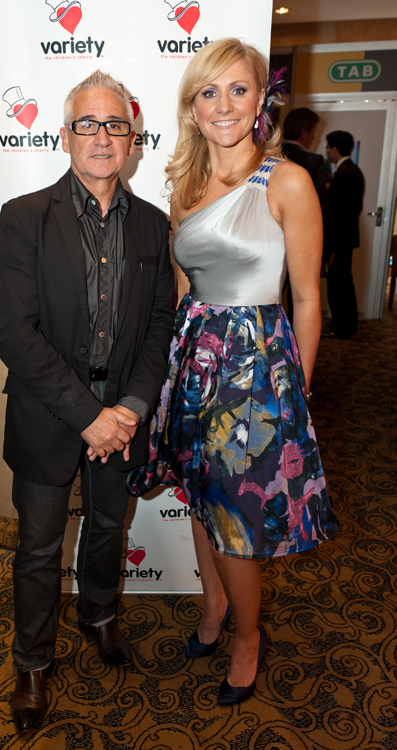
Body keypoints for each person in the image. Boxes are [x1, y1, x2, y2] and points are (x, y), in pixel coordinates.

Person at [128, 39, 339, 706]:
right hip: (193, 360)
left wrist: (296, 391)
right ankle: (214, 605)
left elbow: (307, 298)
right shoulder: (184, 189)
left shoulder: (286, 180)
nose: (224, 105)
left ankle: (248, 637)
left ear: (259, 101)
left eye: (238, 89)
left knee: (236, 517)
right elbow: (182, 289)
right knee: (199, 493)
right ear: (192, 108)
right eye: (208, 92)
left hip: (256, 369)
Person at [0, 70, 174, 733]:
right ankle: (32, 660)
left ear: (132, 139)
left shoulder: (153, 225)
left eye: (114, 125)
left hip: (121, 414)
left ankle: (100, 615)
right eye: (88, 124)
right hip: (49, 413)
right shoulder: (24, 218)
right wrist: (89, 415)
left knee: (105, 530)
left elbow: (159, 326)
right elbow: (14, 333)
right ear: (65, 135)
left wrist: (130, 408)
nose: (102, 137)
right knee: (39, 548)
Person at [282, 107, 334, 297]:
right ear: (304, 133)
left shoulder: (265, 155)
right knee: (300, 297)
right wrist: (328, 248)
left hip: (269, 239)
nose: (314, 138)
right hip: (302, 242)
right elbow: (322, 208)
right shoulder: (313, 161)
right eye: (314, 132)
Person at [324, 130, 365, 339]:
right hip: (347, 238)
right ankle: (347, 325)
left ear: (335, 149)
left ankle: (340, 327)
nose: (326, 151)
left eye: (327, 147)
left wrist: (331, 245)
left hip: (340, 239)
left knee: (338, 284)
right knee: (344, 282)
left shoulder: (344, 174)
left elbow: (337, 214)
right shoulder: (353, 170)